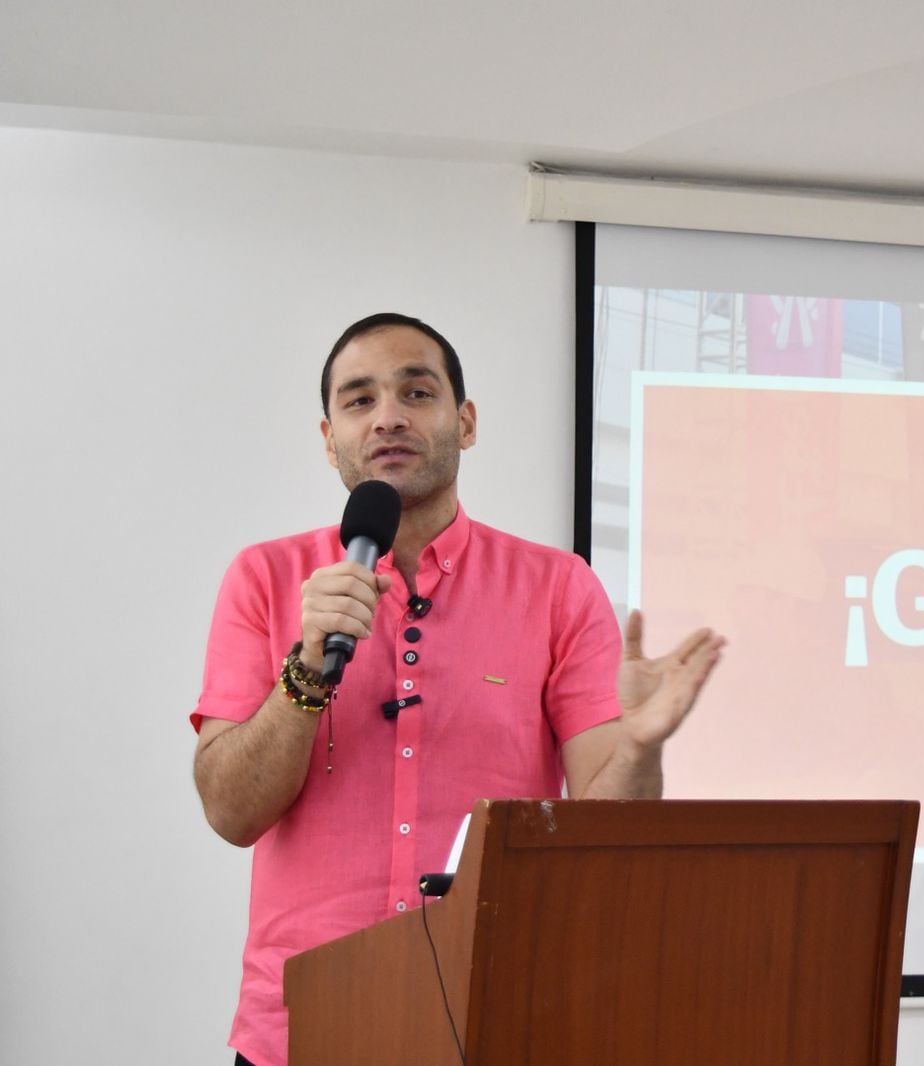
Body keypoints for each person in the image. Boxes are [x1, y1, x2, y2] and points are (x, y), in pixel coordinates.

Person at [189, 313, 725, 1066]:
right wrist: (307, 669)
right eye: (360, 399)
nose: (389, 417)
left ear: (464, 422)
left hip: (492, 1021)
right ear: (329, 437)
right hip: (301, 1034)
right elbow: (230, 811)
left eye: (416, 391)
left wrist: (638, 746)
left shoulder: (556, 588)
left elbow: (610, 840)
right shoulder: (266, 579)